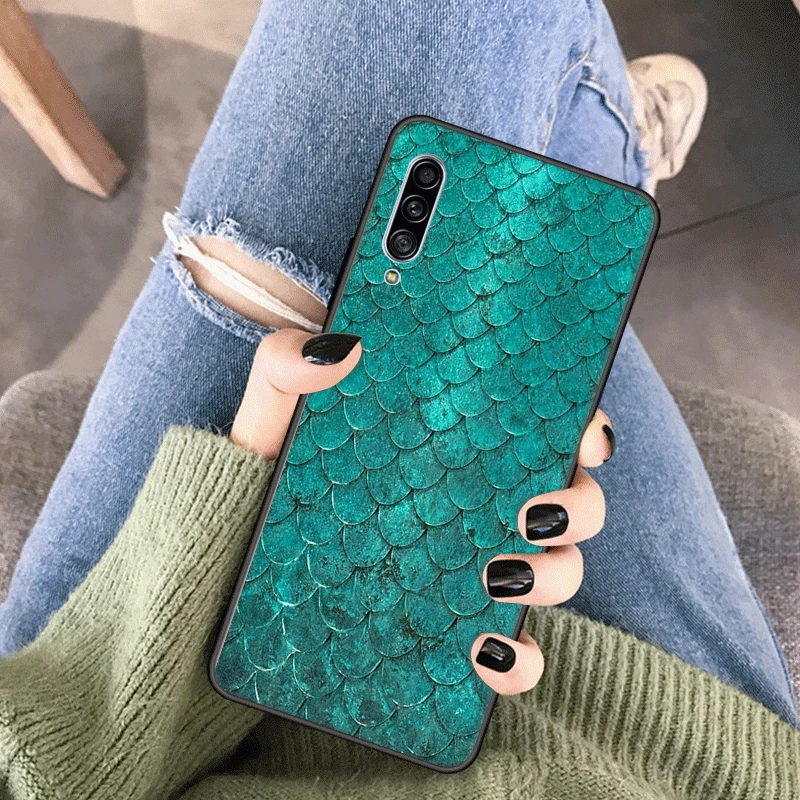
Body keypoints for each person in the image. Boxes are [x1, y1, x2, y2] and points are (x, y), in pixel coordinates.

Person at [0, 1, 796, 797]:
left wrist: (211, 538)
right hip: (660, 756)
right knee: (558, 254)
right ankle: (607, 150)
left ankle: (600, 144)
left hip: (91, 712)